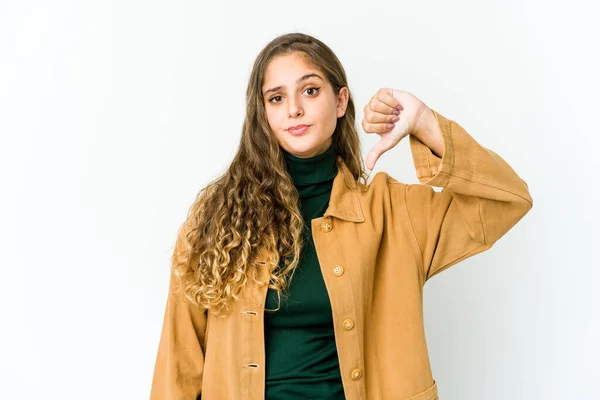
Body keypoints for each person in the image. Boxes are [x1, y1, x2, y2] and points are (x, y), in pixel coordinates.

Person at [149, 32, 533, 400]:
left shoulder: (393, 212)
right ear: (262, 114)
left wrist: (424, 122)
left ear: (340, 100)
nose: (294, 109)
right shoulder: (216, 221)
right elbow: (179, 365)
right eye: (276, 98)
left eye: (310, 90)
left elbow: (506, 200)